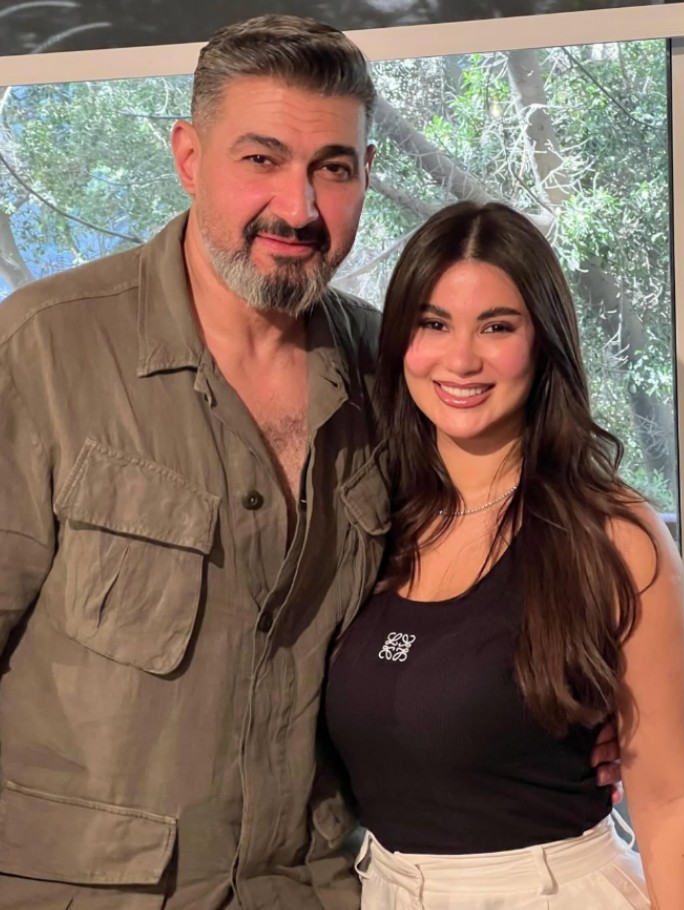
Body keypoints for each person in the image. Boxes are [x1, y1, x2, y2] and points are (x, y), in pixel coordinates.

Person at [0, 17, 621, 910]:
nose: (297, 208)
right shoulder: (44, 350)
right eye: (261, 159)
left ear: (366, 173)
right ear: (188, 157)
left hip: (319, 887)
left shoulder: (393, 373)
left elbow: (497, 562)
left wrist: (589, 715)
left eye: (332, 168)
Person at [325, 200, 684, 909]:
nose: (461, 359)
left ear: (543, 341)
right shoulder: (375, 516)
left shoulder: (611, 534)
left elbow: (672, 799)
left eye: (497, 326)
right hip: (387, 888)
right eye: (433, 323)